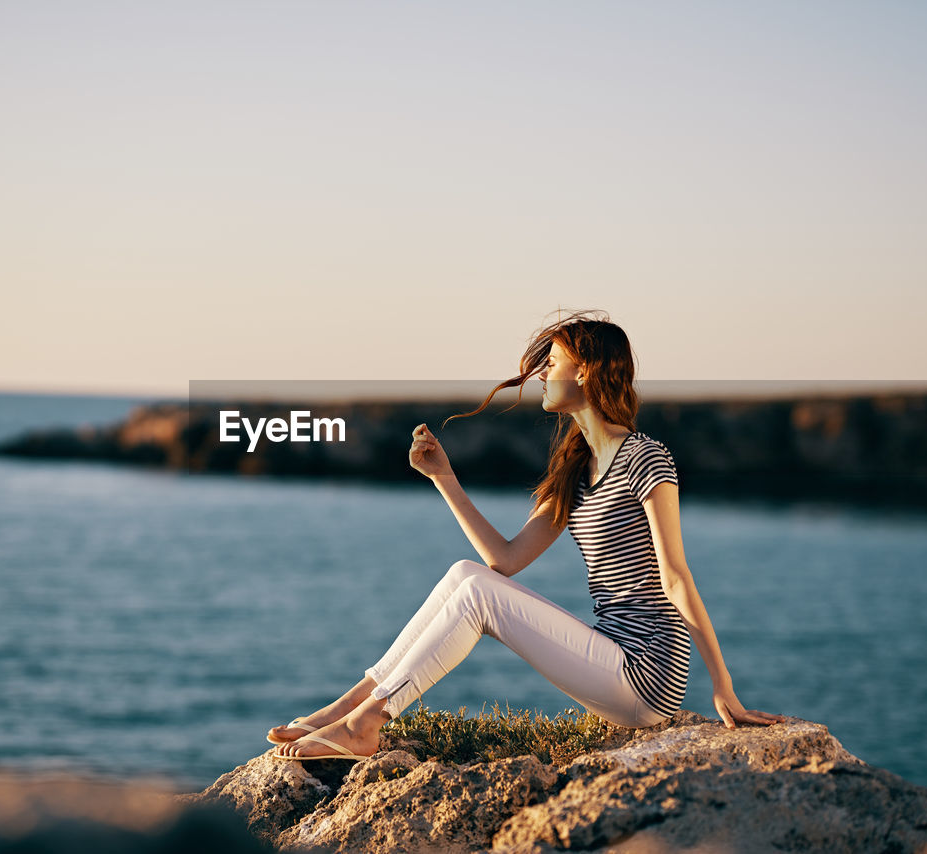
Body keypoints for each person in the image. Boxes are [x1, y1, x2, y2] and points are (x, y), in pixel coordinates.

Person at [270, 310, 786, 762]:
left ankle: (367, 723)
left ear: (584, 372)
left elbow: (675, 576)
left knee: (475, 593)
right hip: (610, 655)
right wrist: (444, 478)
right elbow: (506, 559)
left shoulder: (646, 458)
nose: (542, 373)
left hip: (648, 674)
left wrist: (723, 686)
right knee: (464, 575)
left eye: (553, 363)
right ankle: (349, 707)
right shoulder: (576, 467)